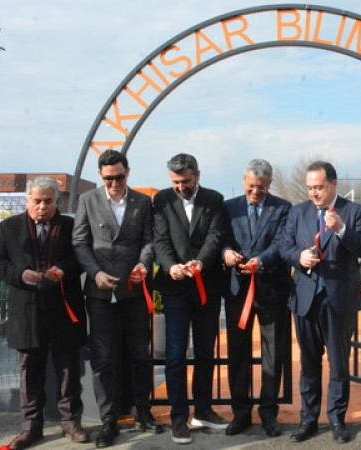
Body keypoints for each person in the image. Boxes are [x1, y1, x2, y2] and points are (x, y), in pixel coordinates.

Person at [0, 177, 89, 450]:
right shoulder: (9, 227)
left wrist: (62, 270)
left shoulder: (70, 226)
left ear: (58, 201)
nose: (42, 207)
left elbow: (82, 257)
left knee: (68, 369)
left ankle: (71, 423)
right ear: (27, 201)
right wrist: (20, 274)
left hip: (64, 309)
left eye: (48, 201)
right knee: (29, 371)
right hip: (26, 311)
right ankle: (31, 426)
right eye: (37, 201)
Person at [279, 160, 361, 444]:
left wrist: (342, 229)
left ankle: (336, 420)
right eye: (310, 188)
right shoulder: (298, 212)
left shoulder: (354, 211)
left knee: (339, 366)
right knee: (308, 365)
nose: (314, 193)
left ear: (334, 184)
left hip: (339, 300)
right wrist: (299, 258)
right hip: (305, 299)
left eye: (319, 187)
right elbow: (284, 247)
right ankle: (308, 419)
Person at [72, 150, 162, 447]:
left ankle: (143, 412)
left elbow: (149, 240)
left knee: (140, 354)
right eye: (108, 178)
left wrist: (143, 265)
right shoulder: (88, 200)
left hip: (133, 289)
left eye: (119, 177)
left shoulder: (142, 202)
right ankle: (108, 420)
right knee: (103, 358)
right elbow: (80, 241)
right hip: (100, 291)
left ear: (128, 173)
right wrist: (95, 273)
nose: (113, 183)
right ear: (100, 175)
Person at [153, 153, 227, 445]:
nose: (181, 187)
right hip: (175, 289)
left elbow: (215, 236)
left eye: (186, 181)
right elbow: (160, 239)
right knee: (175, 354)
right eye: (176, 182)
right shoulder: (161, 200)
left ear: (197, 175)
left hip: (206, 285)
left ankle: (204, 410)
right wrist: (170, 266)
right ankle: (178, 417)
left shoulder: (214, 199)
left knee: (206, 352)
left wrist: (201, 263)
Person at [222, 159, 292, 438]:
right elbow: (221, 238)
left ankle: (268, 412)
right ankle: (240, 413)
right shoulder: (228, 207)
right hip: (237, 290)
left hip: (271, 289)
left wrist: (261, 261)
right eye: (251, 186)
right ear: (243, 181)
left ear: (269, 184)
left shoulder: (283, 208)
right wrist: (226, 253)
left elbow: (282, 243)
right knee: (237, 353)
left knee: (272, 354)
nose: (255, 192)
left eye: (261, 187)